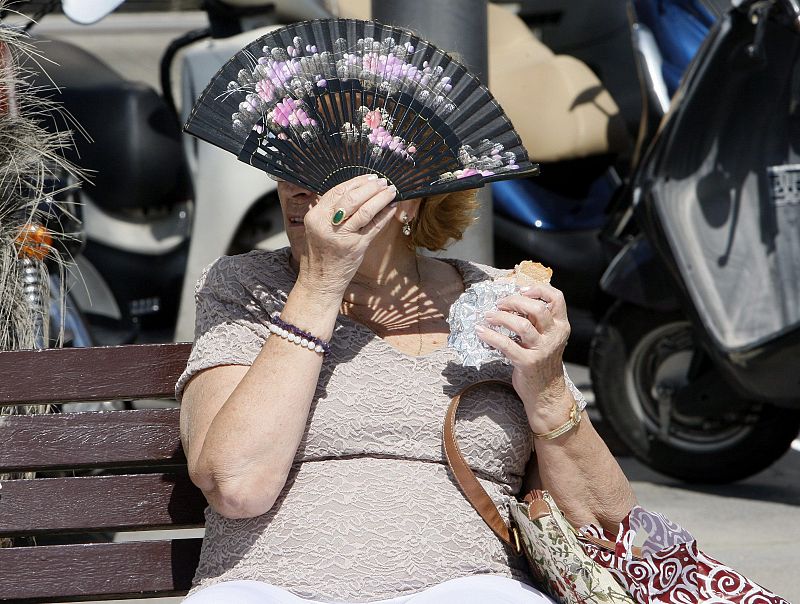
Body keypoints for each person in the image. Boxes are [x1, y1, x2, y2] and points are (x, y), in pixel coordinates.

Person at [176, 174, 637, 603]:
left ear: (410, 198)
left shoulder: (502, 299)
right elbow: (234, 484)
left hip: (471, 588)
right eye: (287, 166)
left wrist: (548, 388)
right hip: (275, 588)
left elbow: (607, 525)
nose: (297, 189)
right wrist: (319, 285)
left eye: (329, 167)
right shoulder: (244, 287)